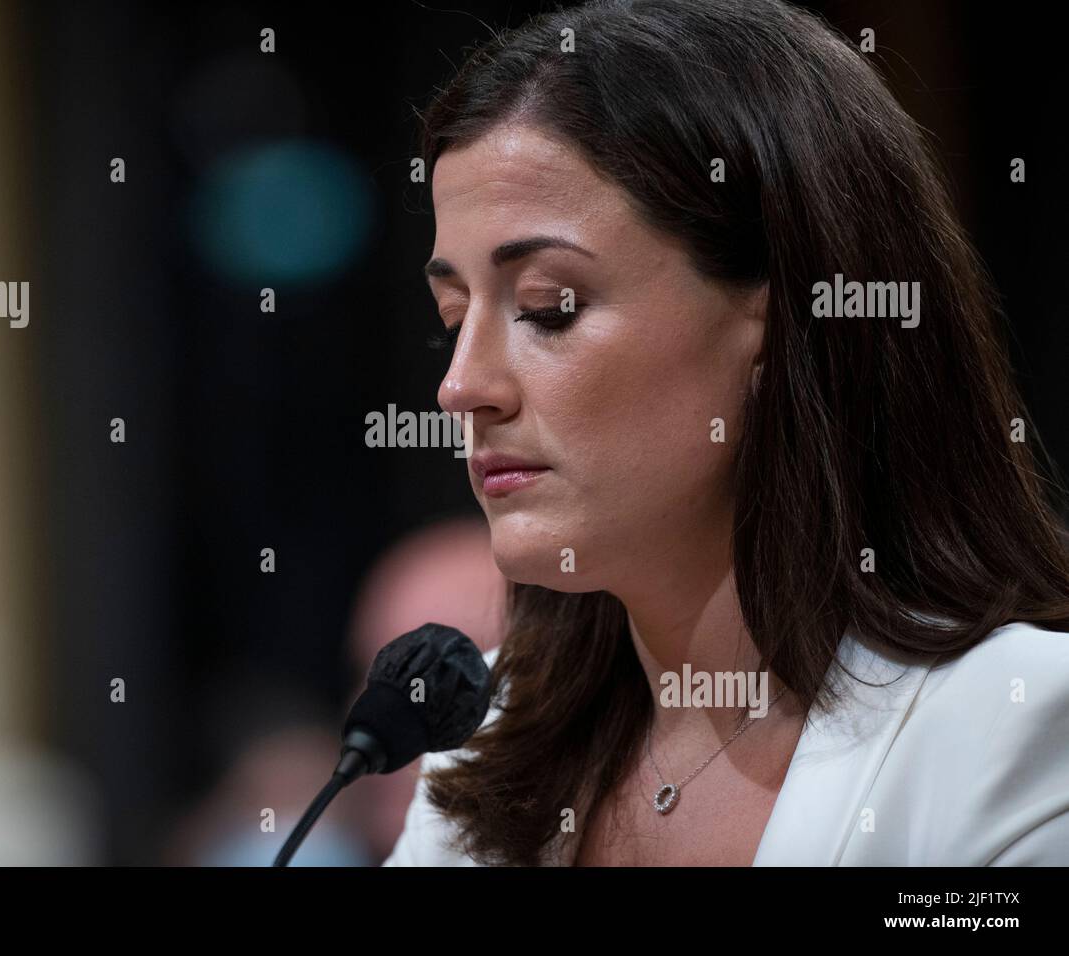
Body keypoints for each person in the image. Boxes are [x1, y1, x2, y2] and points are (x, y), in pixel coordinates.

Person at [384, 0, 1069, 866]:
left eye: (548, 310)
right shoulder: (478, 742)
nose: (461, 387)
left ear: (781, 323)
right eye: (454, 316)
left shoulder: (1017, 729)